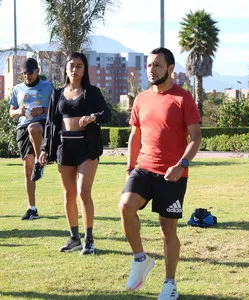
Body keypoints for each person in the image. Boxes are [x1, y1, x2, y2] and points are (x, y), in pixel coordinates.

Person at [118, 47, 201, 299]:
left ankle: (169, 283)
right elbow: (136, 135)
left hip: (173, 174)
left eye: (157, 65)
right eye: (149, 65)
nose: (151, 70)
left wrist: (182, 165)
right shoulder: (141, 98)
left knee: (168, 230)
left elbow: (196, 138)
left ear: (170, 69)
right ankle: (140, 259)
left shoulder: (183, 98)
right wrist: (131, 168)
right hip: (143, 168)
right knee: (125, 206)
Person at [39, 52, 111, 255]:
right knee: (68, 194)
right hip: (65, 148)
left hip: (87, 148)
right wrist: (45, 148)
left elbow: (107, 114)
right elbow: (51, 123)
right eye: (71, 65)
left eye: (79, 66)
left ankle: (89, 240)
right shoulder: (58, 93)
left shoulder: (92, 92)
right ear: (66, 68)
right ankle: (74, 238)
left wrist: (92, 117)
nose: (75, 69)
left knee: (83, 192)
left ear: (84, 69)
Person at [9, 57, 53, 220]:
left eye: (30, 73)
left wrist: (41, 109)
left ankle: (40, 162)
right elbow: (11, 112)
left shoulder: (48, 86)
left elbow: (56, 109)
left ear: (37, 71)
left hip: (41, 124)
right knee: (27, 170)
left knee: (33, 127)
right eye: (24, 73)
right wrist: (19, 111)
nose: (27, 76)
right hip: (22, 128)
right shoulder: (17, 89)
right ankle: (32, 209)